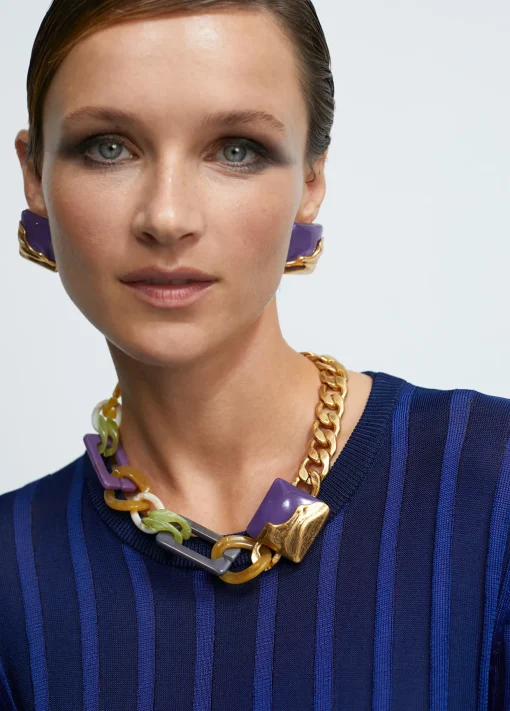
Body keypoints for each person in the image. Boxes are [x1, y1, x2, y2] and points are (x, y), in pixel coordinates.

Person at [1, 1, 509, 709]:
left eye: (236, 149)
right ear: (34, 175)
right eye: (108, 147)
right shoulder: (13, 572)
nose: (167, 217)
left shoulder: (492, 483)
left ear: (310, 181)